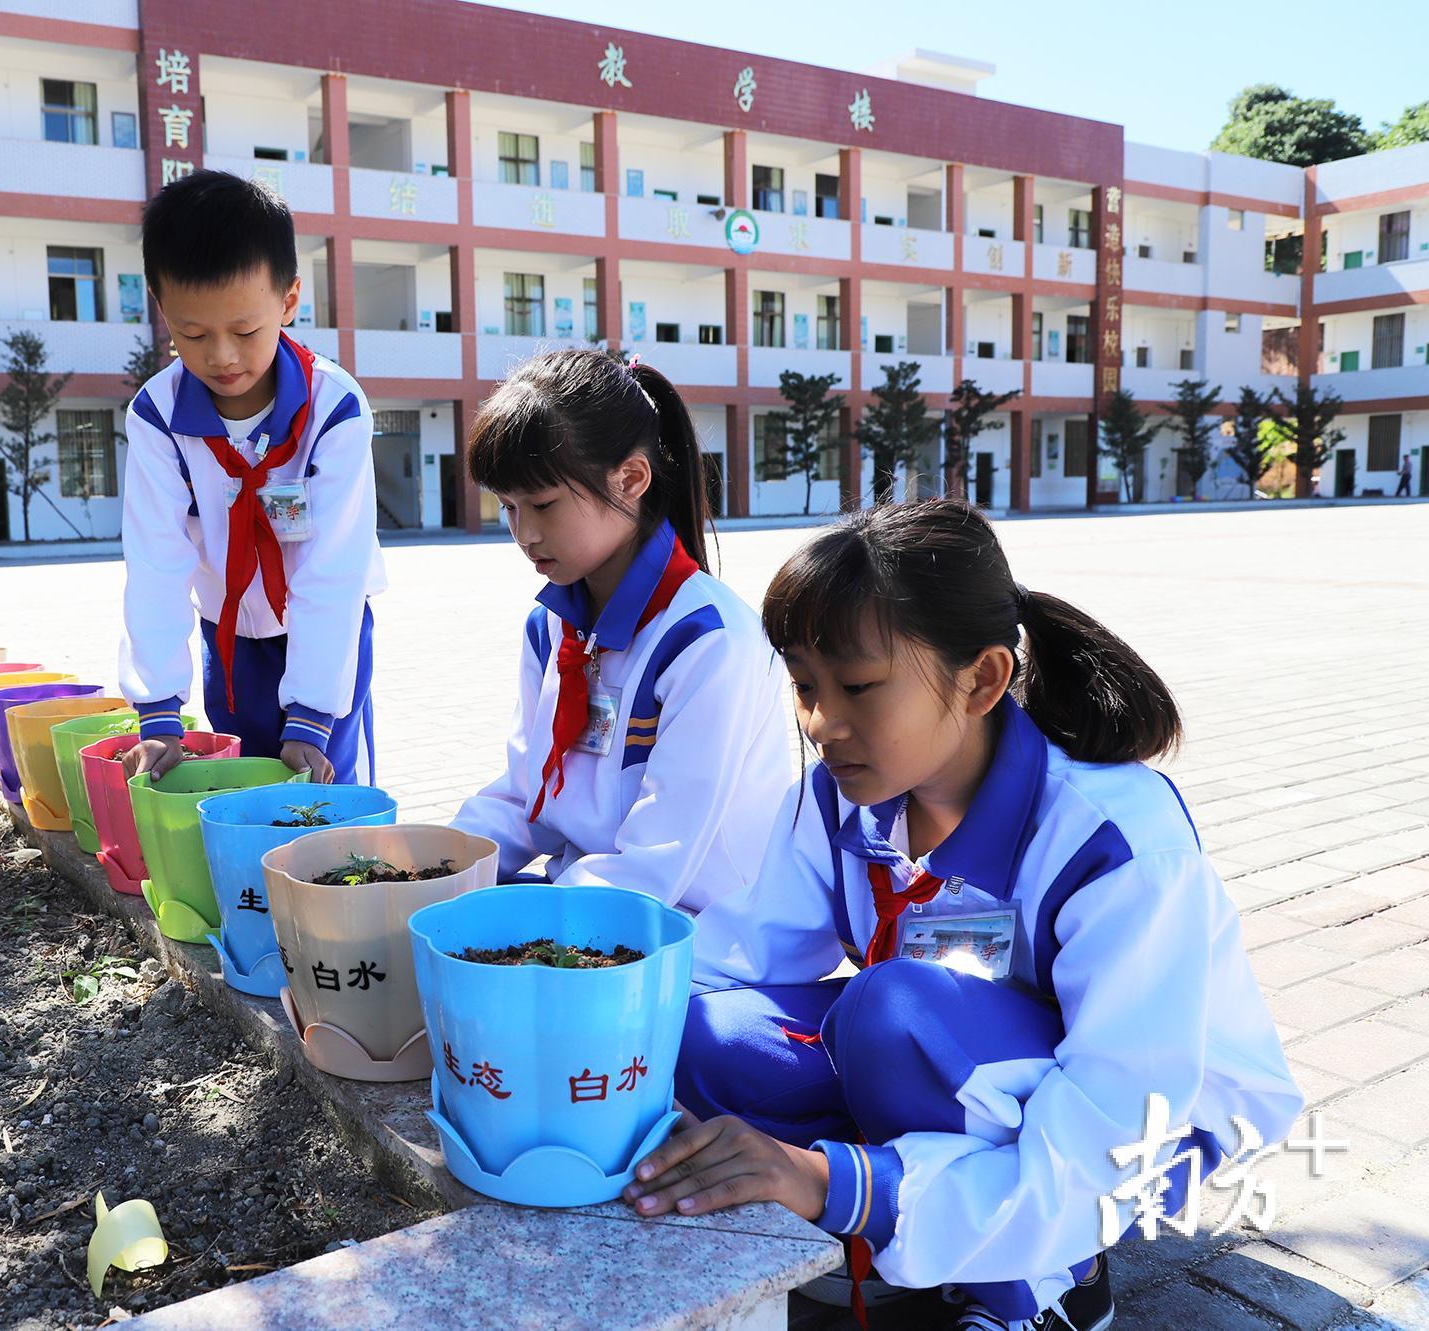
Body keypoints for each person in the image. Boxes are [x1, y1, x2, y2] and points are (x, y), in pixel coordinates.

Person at [626, 500, 1301, 1329]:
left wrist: (824, 1179)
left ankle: (1043, 1287)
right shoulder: (843, 798)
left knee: (890, 1010)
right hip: (967, 1059)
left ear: (981, 679)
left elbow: (1109, 1119)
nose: (820, 723)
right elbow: (737, 953)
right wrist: (582, 1026)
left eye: (859, 686)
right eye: (804, 684)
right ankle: (902, 1226)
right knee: (702, 1035)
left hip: (1146, 1125)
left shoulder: (1115, 844)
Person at [449, 349, 794, 914]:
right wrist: (434, 865)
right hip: (591, 902)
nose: (523, 533)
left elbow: (658, 857)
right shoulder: (551, 624)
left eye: (542, 504)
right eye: (507, 507)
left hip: (701, 935)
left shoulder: (710, 639)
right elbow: (526, 794)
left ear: (631, 478)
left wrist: (528, 924)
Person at [118, 170, 382, 785]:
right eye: (192, 333)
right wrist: (158, 713)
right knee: (245, 779)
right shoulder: (157, 415)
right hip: (229, 629)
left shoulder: (334, 408)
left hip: (326, 628)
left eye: (244, 331)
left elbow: (334, 569)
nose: (222, 357)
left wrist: (313, 713)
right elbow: (155, 562)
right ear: (163, 311)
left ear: (288, 301)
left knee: (329, 788)